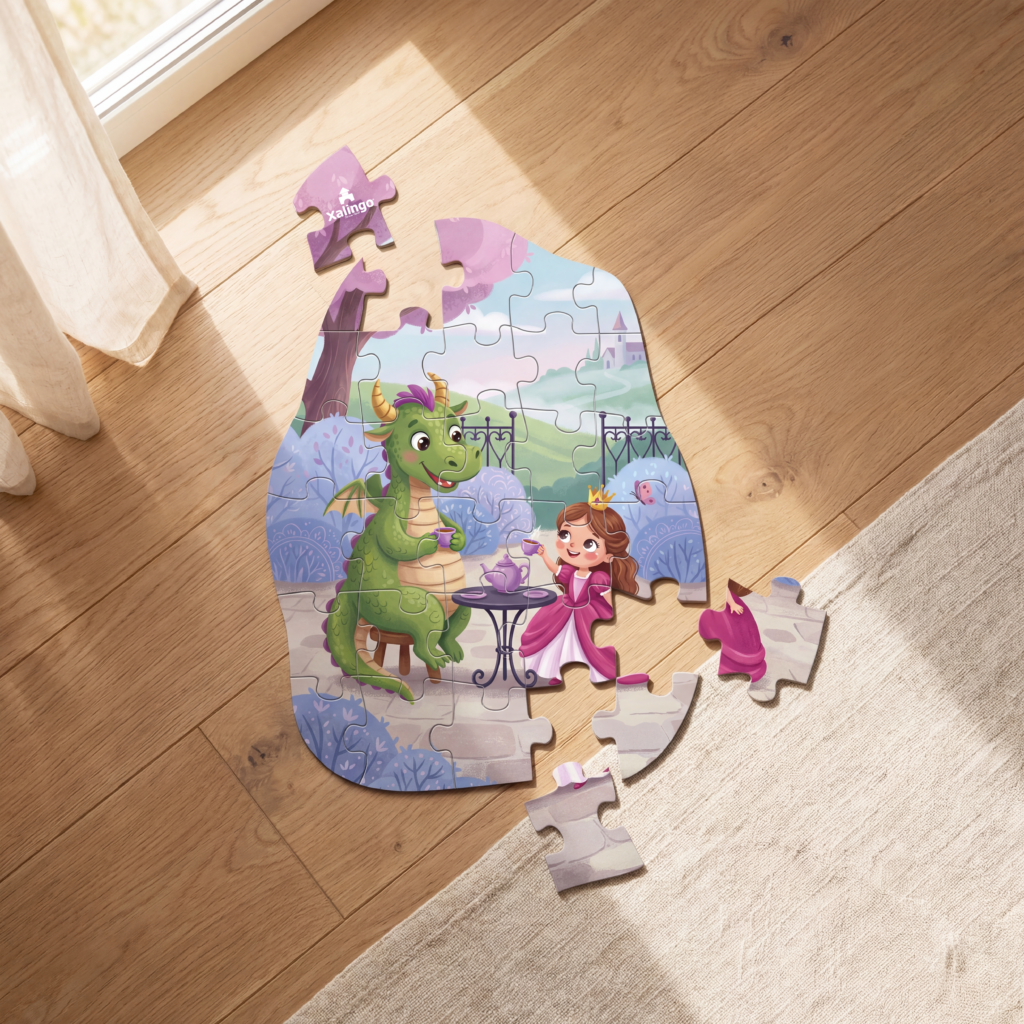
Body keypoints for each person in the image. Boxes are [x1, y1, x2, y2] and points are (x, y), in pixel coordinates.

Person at [519, 498, 639, 684]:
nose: (572, 545)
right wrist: (544, 555)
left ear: (608, 556)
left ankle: (583, 673)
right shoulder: (569, 571)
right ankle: (556, 673)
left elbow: (610, 599)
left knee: (581, 645)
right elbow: (555, 569)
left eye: (589, 544)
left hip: (587, 614)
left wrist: (618, 616)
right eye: (565, 535)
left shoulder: (599, 578)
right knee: (557, 642)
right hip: (564, 609)